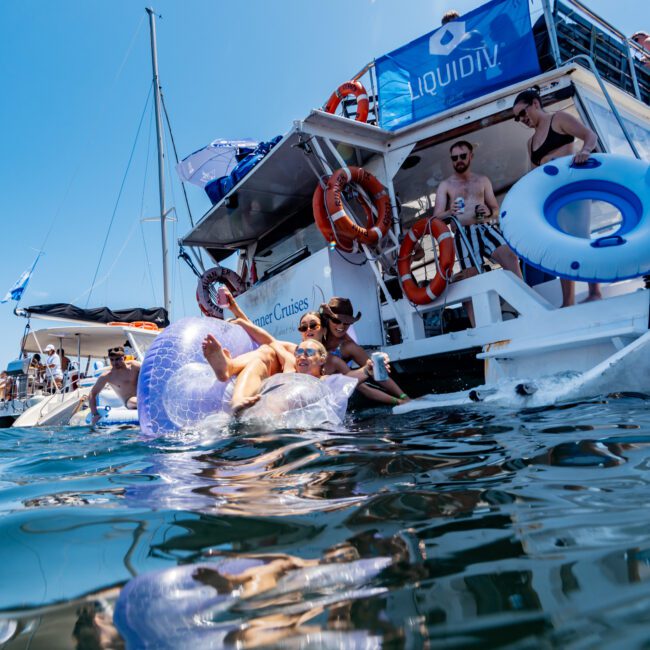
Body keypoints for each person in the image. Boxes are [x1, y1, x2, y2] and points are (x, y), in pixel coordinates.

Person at [204, 289, 409, 409]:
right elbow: (267, 339)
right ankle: (229, 369)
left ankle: (231, 369)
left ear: (322, 326)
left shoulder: (340, 352)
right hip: (289, 387)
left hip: (323, 389)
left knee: (356, 382)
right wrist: (237, 314)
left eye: (312, 326)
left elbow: (351, 381)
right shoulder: (297, 350)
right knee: (267, 351)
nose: (308, 330)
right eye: (304, 327)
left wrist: (399, 398)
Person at [512, 85, 602, 307]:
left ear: (535, 103)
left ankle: (595, 291)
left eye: (523, 113)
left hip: (573, 190)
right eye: (517, 118)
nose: (521, 119)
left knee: (580, 237)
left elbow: (590, 136)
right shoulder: (529, 143)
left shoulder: (558, 119)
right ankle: (568, 301)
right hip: (554, 201)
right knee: (561, 247)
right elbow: (535, 177)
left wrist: (585, 151)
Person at [319, 297, 410, 403]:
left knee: (362, 387)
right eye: (336, 320)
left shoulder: (349, 346)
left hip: (336, 391)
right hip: (313, 385)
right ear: (327, 319)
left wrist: (403, 396)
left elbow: (376, 371)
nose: (341, 326)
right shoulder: (316, 332)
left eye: (347, 322)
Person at [88, 346, 141, 425]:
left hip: (143, 396)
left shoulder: (134, 366)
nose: (115, 363)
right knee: (135, 401)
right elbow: (92, 394)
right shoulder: (107, 375)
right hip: (130, 402)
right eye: (112, 360)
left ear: (124, 357)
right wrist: (95, 414)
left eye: (118, 359)